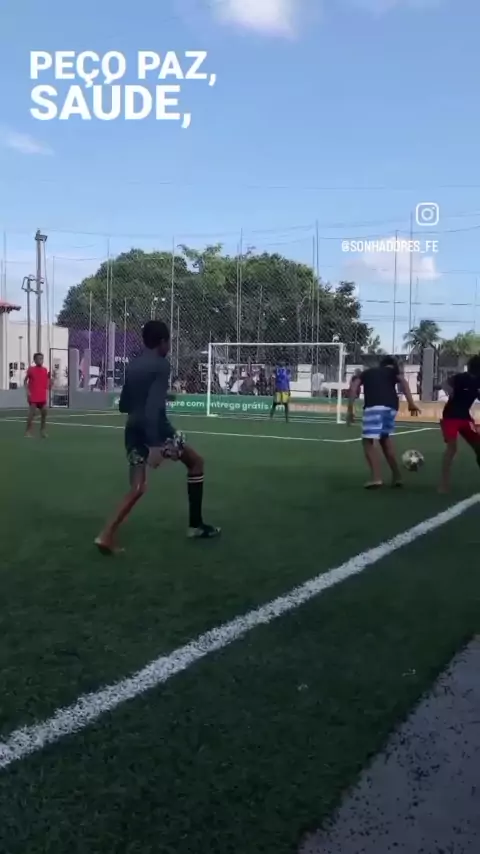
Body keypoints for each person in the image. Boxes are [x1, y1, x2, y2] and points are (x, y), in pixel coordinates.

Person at [95, 320, 220, 554]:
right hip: (157, 430)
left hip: (133, 429)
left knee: (138, 487)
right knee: (196, 463)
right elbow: (153, 406)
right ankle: (195, 526)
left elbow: (124, 405)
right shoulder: (161, 365)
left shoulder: (134, 364)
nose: (169, 346)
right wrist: (155, 445)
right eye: (169, 342)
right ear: (162, 342)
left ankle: (106, 534)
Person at [347, 355, 420, 488]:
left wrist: (350, 410)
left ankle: (376, 478)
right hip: (391, 408)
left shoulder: (367, 373)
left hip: (374, 407)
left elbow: (353, 387)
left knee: (367, 442)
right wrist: (411, 403)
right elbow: (404, 383)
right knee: (384, 439)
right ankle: (397, 476)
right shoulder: (392, 372)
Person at [438, 355, 480, 493]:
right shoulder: (461, 378)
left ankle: (444, 485)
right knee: (452, 448)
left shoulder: (477, 381)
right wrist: (450, 392)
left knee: (478, 446)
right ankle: (444, 484)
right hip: (451, 416)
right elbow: (445, 383)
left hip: (465, 417)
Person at [24, 353, 51, 438]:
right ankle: (28, 431)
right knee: (32, 414)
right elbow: (25, 381)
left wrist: (50, 383)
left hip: (42, 396)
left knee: (44, 412)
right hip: (33, 396)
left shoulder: (45, 370)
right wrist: (27, 391)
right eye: (39, 359)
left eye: (42, 358)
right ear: (35, 360)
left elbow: (46, 382)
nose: (40, 360)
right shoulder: (31, 369)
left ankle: (42, 430)